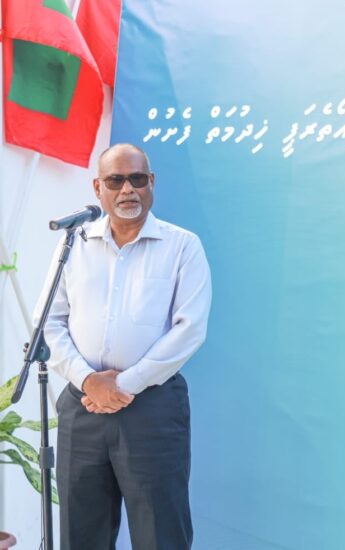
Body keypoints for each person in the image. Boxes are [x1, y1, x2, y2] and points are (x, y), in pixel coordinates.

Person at [36, 143, 212, 550]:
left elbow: (189, 329)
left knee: (160, 533)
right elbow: (49, 322)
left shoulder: (182, 246)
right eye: (116, 180)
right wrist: (88, 381)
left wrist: (123, 385)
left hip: (152, 409)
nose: (127, 189)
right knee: (81, 534)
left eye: (137, 179)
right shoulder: (73, 245)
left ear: (152, 183)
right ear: (98, 188)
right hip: (83, 407)